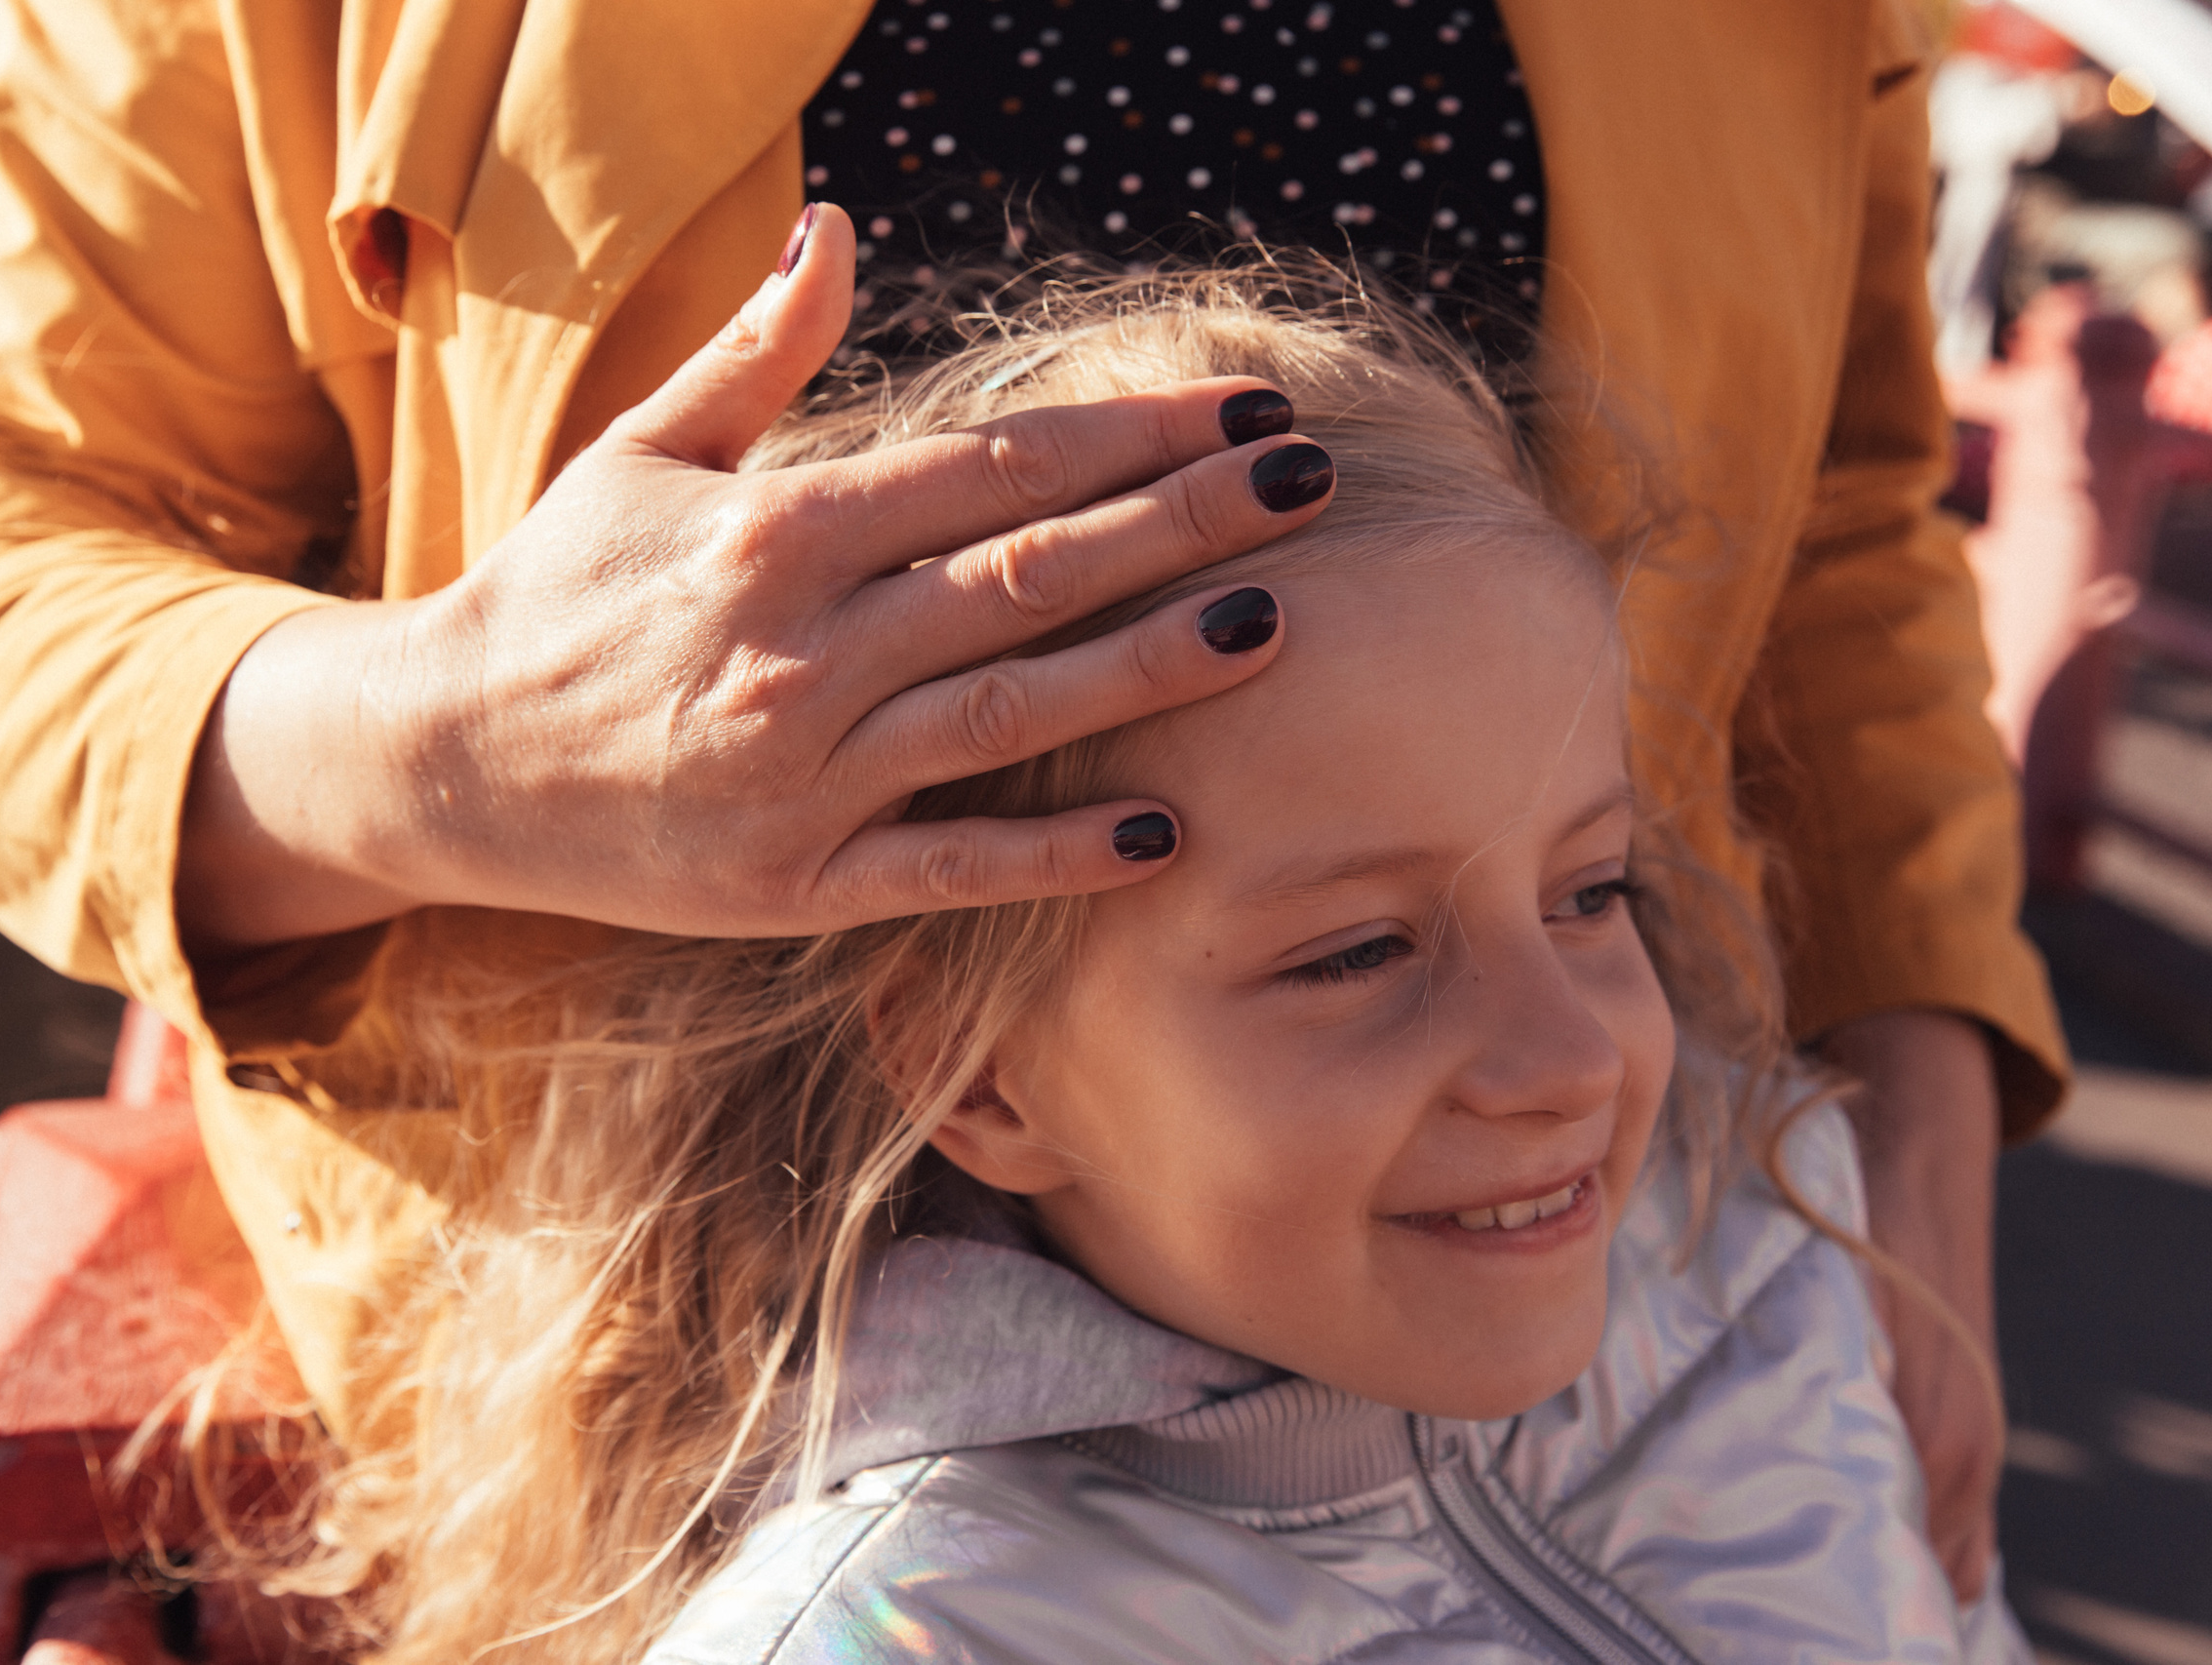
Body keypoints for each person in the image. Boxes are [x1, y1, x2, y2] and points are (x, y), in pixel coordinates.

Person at [0, 0, 2063, 1603]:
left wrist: (1910, 1106)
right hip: (675, 1408)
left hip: (1603, 1291)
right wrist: (455, 735)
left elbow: (1847, 508)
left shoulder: (1717, 1309)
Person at [279, 273, 2031, 1663]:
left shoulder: (1768, 1249)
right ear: (981, 1077)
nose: (1566, 1056)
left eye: (1594, 892)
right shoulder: (911, 1635)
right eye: (1356, 952)